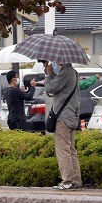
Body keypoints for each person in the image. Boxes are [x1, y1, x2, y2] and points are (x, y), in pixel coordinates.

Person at [41, 60, 82, 189]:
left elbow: (50, 88)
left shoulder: (65, 73)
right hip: (71, 116)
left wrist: (48, 74)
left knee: (62, 150)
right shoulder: (73, 72)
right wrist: (51, 74)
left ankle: (67, 181)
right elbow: (55, 88)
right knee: (71, 150)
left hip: (63, 117)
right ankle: (76, 180)